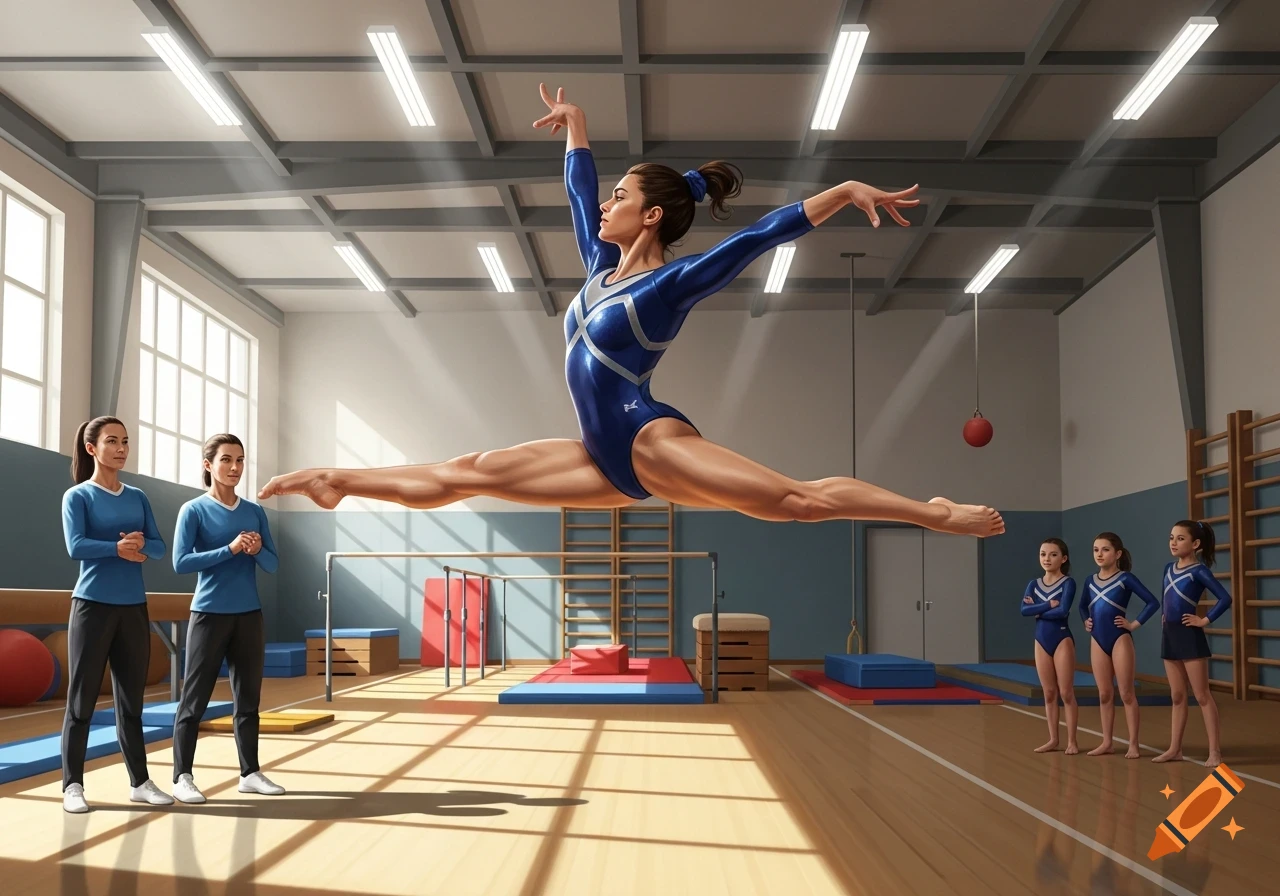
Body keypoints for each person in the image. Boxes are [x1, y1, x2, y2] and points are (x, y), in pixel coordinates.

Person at [256, 84, 1004, 540]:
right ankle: (337, 480)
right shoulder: (597, 266)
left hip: (646, 440)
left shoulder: (668, 286)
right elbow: (580, 191)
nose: (606, 204)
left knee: (794, 502)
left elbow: (756, 237)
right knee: (466, 473)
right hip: (596, 454)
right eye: (612, 194)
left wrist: (841, 192)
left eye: (623, 197)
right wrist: (577, 122)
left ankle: (934, 512)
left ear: (650, 217)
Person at [60, 416, 173, 813]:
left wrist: (142, 543)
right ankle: (72, 785)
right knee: (82, 700)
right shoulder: (78, 496)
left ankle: (140, 781)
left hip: (133, 610)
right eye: (113, 441)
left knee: (132, 702)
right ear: (92, 448)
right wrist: (116, 548)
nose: (122, 448)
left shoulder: (137, 497)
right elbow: (75, 546)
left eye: (126, 441)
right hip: (92, 607)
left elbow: (159, 548)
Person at [171, 434, 284, 803]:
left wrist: (254, 550)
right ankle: (182, 776)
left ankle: (250, 772)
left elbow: (272, 563)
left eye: (240, 460)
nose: (234, 468)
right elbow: (180, 562)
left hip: (248, 616)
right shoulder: (194, 510)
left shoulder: (254, 511)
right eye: (226, 461)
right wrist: (230, 548)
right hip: (208, 615)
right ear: (209, 465)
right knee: (194, 700)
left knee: (248, 700)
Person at [1153, 520, 1231, 768]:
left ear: (1195, 544)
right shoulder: (1167, 568)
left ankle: (1215, 751)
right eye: (1171, 537)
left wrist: (1204, 619)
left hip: (1189, 635)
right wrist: (1165, 617)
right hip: (1170, 635)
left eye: (1180, 538)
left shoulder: (1199, 571)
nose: (1173, 543)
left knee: (1202, 695)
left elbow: (1225, 598)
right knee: (1177, 696)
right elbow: (1166, 597)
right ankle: (1175, 748)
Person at [1080, 532, 1159, 758]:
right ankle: (1107, 742)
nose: (1099, 554)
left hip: (1119, 639)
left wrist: (1133, 624)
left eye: (1105, 549)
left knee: (1126, 693)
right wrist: (1086, 620)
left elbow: (1152, 602)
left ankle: (1133, 744)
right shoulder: (1089, 580)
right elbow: (1082, 606)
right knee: (1104, 693)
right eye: (1096, 550)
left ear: (1118, 554)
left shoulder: (1126, 579)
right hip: (1097, 640)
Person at [1020, 538, 1078, 754]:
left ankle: (1072, 740)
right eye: (1043, 554)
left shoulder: (1068, 583)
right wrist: (1046, 605)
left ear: (1063, 559)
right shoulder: (1033, 584)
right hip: (1041, 640)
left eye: (1053, 554)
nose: (1047, 558)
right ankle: (1053, 739)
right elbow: (1023, 611)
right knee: (1049, 693)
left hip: (1062, 639)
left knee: (1066, 692)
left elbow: (1062, 612)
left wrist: (1036, 608)